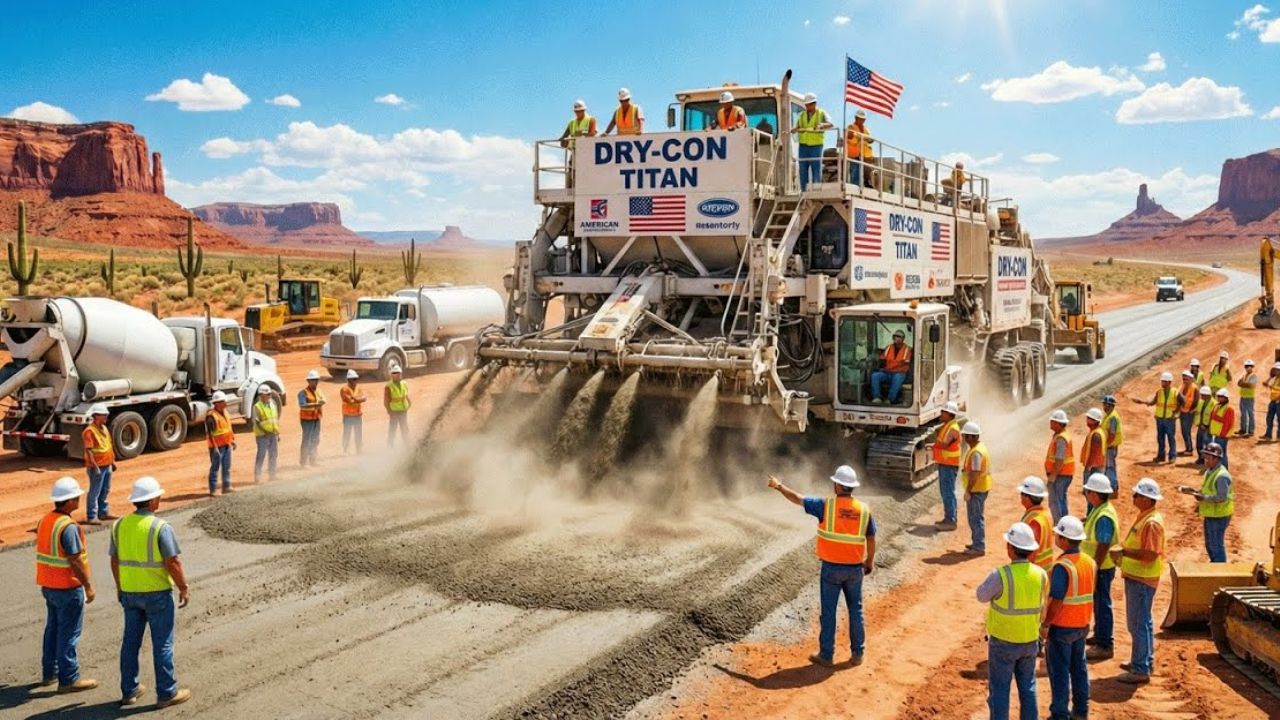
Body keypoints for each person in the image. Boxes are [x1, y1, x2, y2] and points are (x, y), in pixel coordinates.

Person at [767, 465, 876, 667]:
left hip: (831, 570)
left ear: (837, 485)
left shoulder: (826, 506)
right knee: (856, 610)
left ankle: (826, 655)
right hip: (854, 569)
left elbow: (798, 499)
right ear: (851, 487)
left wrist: (779, 486)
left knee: (829, 612)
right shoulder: (864, 510)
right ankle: (857, 654)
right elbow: (871, 537)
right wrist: (869, 561)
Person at [110, 477, 191, 708]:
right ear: (153, 500)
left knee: (130, 643)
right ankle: (166, 693)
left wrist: (120, 587)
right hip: (157, 595)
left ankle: (129, 691)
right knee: (163, 644)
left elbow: (114, 561)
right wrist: (183, 587)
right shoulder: (160, 527)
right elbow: (173, 562)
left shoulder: (119, 526)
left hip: (129, 594)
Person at [976, 522, 1048, 720]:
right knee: (1028, 687)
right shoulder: (1040, 574)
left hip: (1003, 642)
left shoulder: (1001, 575)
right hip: (1030, 641)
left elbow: (981, 595)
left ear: (1011, 549)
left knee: (1000, 690)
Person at [36, 477, 98, 693]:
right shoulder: (68, 527)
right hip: (67, 588)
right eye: (77, 496)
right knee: (68, 634)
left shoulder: (45, 521)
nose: (79, 498)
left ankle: (49, 673)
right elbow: (75, 559)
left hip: (48, 585)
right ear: (69, 500)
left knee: (52, 630)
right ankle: (69, 678)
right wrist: (88, 586)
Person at [1110, 477, 1165, 685]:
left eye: (1137, 495)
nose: (1133, 497)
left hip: (1142, 580)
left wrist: (1125, 551)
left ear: (1147, 499)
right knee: (1144, 622)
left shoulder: (1151, 523)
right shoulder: (1146, 517)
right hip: (1139, 578)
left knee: (1138, 624)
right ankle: (1142, 660)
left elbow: (1150, 554)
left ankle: (1140, 668)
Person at [1043, 515, 1095, 720]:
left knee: (1060, 672)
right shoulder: (1089, 562)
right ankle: (1081, 711)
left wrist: (1046, 623)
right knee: (1079, 669)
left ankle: (1060, 713)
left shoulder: (1062, 566)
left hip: (1062, 626)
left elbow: (1056, 600)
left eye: (1058, 535)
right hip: (1082, 623)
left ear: (1064, 539)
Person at [1081, 473, 1118, 661]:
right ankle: (1100, 635)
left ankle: (1105, 644)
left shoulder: (1103, 516)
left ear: (1095, 494)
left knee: (1102, 604)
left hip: (1101, 567)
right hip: (1100, 566)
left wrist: (1095, 566)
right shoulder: (1100, 509)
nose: (1086, 494)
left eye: (1088, 491)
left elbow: (1103, 543)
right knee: (1099, 603)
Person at [1182, 443, 1233, 563]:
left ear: (1216, 458)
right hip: (1212, 513)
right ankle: (1215, 566)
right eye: (1205, 457)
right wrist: (1196, 492)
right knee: (1211, 544)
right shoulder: (1210, 471)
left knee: (1216, 545)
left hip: (1219, 516)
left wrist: (1204, 498)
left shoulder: (1221, 476)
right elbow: (1208, 490)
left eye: (1208, 457)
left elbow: (1222, 497)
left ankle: (1219, 570)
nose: (1205, 460)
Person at [1131, 372, 1177, 463]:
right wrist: (1142, 402)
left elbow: (1182, 402)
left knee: (1171, 438)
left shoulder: (1175, 392)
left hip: (1169, 420)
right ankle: (1161, 456)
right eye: (1162, 381)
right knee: (1160, 438)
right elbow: (1152, 402)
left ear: (1169, 382)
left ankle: (1172, 456)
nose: (1162, 383)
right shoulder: (1159, 392)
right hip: (1160, 419)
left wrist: (1175, 413)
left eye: (1164, 381)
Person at [82, 404, 116, 526]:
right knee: (94, 491)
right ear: (96, 416)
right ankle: (91, 516)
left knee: (105, 489)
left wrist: (112, 461)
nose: (106, 417)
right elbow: (89, 450)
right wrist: (95, 466)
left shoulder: (104, 428)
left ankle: (103, 513)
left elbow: (108, 445)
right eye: (104, 415)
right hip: (97, 467)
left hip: (107, 465)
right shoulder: (89, 431)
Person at [962, 422, 992, 556]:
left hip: (977, 489)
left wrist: (968, 491)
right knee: (975, 517)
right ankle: (976, 543)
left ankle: (979, 546)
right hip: (980, 487)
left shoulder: (976, 453)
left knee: (975, 518)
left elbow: (974, 473)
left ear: (971, 437)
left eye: (965, 435)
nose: (963, 438)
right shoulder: (979, 447)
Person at [931, 402, 963, 530]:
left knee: (948, 492)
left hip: (949, 464)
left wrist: (934, 445)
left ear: (949, 414)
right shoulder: (948, 425)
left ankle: (950, 521)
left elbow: (944, 444)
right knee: (947, 492)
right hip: (946, 463)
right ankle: (949, 518)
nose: (941, 414)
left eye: (943, 412)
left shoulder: (953, 428)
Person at [793, 93, 832, 191]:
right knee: (803, 169)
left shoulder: (822, 113)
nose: (807, 106)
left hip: (816, 146)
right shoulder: (802, 115)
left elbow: (830, 124)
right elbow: (798, 126)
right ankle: (804, 191)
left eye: (809, 104)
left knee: (816, 169)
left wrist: (822, 125)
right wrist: (794, 129)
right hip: (803, 146)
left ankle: (816, 190)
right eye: (806, 105)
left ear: (814, 103)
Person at [1043, 409, 1075, 524]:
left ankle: (1059, 524)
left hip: (1060, 475)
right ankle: (1064, 523)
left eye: (1052, 421)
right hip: (1064, 474)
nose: (1050, 423)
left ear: (1058, 423)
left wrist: (1052, 476)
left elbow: (1059, 460)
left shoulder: (1061, 439)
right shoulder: (1061, 435)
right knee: (1061, 498)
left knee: (1055, 500)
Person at [1016, 476, 1054, 570]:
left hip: (1035, 570)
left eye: (1022, 494)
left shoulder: (1034, 521)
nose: (1020, 496)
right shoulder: (1046, 514)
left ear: (1027, 497)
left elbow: (1031, 552)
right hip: (1045, 569)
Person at [204, 391, 235, 497]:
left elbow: (228, 429)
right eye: (223, 402)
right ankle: (213, 489)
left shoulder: (225, 412)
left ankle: (226, 486)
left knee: (227, 467)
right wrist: (215, 448)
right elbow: (210, 434)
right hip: (217, 447)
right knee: (215, 468)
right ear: (216, 403)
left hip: (227, 444)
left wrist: (232, 441)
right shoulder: (211, 416)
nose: (225, 403)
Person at [870, 329, 912, 404]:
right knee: (875, 376)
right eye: (895, 336)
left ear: (903, 339)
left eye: (899, 337)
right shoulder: (888, 347)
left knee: (897, 378)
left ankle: (890, 399)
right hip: (887, 372)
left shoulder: (907, 349)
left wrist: (891, 365)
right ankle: (877, 397)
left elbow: (904, 363)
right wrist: (878, 362)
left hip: (900, 373)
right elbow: (882, 359)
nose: (897, 338)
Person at [251, 385, 280, 483]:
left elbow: (275, 420)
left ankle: (273, 475)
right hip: (262, 436)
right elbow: (257, 422)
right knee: (261, 455)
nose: (269, 396)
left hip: (273, 434)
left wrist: (277, 433)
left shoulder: (273, 404)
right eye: (267, 394)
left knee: (273, 455)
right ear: (261, 395)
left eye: (269, 394)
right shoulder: (257, 407)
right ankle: (257, 477)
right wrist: (265, 432)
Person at [297, 370, 325, 467]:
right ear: (308, 381)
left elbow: (323, 399)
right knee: (307, 440)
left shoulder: (318, 391)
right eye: (313, 380)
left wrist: (321, 402)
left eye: (316, 380)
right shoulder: (303, 393)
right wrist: (316, 404)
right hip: (307, 419)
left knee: (315, 439)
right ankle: (303, 462)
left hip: (316, 418)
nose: (315, 382)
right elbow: (302, 405)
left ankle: (313, 460)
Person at [1080, 408, 1107, 497]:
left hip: (1094, 467)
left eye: (1089, 418)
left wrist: (1088, 468)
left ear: (1095, 421)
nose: (1087, 420)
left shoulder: (1096, 435)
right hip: (1097, 466)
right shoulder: (1097, 432)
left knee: (1091, 494)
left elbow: (1093, 453)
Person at [1207, 388, 1236, 468]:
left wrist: (1223, 434)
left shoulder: (1229, 409)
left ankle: (1224, 468)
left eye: (1221, 396)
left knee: (1221, 453)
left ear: (1226, 398)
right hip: (1215, 434)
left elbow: (1228, 423)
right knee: (1216, 453)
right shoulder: (1216, 406)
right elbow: (1212, 418)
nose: (1219, 398)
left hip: (1222, 436)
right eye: (1218, 396)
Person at [340, 369, 366, 455]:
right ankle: (345, 450)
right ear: (349, 380)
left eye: (356, 379)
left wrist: (354, 398)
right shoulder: (344, 389)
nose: (356, 381)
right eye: (354, 379)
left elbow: (364, 398)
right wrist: (358, 399)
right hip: (348, 415)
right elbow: (349, 401)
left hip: (357, 414)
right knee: (347, 433)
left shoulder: (359, 388)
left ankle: (359, 450)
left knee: (358, 433)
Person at [385, 364, 411, 447]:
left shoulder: (404, 383)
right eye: (395, 373)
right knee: (393, 429)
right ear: (392, 375)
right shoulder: (388, 386)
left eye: (399, 373)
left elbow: (406, 395)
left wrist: (409, 403)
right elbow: (386, 400)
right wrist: (389, 410)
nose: (398, 375)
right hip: (394, 411)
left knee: (404, 428)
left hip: (403, 409)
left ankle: (407, 445)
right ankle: (390, 445)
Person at [844, 110, 872, 186]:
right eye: (860, 118)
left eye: (863, 119)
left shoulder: (865, 129)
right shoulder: (851, 127)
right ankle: (854, 188)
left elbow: (871, 140)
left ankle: (864, 186)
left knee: (866, 174)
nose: (862, 121)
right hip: (854, 155)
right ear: (856, 118)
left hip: (864, 155)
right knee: (855, 174)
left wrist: (864, 137)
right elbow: (849, 135)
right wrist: (859, 136)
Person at [1101, 395, 1123, 491]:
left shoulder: (1112, 417)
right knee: (1107, 467)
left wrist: (1106, 445)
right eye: (1104, 404)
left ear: (1111, 406)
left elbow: (1112, 434)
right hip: (1108, 446)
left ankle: (1113, 486)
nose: (1104, 406)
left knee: (1110, 467)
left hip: (1110, 447)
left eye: (1106, 404)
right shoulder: (1108, 415)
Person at [1176, 370, 1198, 456]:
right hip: (1182, 411)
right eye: (1183, 378)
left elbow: (1196, 401)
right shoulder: (1181, 387)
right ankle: (1188, 448)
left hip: (1189, 412)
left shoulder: (1195, 388)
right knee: (1184, 431)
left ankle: (1189, 449)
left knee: (1186, 431)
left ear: (1191, 379)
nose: (1184, 379)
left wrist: (1192, 410)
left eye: (1186, 378)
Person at [1193, 385, 1213, 465]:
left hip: (1208, 427)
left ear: (1208, 395)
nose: (1201, 396)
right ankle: (1201, 458)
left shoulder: (1213, 404)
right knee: (1199, 443)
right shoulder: (1201, 402)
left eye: (1203, 395)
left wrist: (1207, 426)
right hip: (1200, 426)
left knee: (1208, 444)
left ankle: (1208, 460)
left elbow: (1213, 417)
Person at [1237, 359, 1257, 437]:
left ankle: (1251, 431)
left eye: (1250, 366)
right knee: (1243, 414)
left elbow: (1250, 385)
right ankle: (1243, 429)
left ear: (1252, 367)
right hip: (1243, 397)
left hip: (1249, 398)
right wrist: (1244, 384)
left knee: (1250, 414)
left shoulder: (1254, 376)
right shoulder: (1244, 375)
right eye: (1246, 366)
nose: (1248, 367)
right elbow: (1238, 383)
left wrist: (1243, 383)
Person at [1262, 362, 1280, 441]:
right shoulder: (1276, 378)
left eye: (1277, 370)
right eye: (1274, 370)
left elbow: (1274, 388)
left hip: (1278, 401)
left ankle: (1279, 436)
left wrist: (1271, 386)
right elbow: (1266, 384)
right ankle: (1268, 435)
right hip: (1273, 400)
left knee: (1279, 419)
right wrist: (1270, 377)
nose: (1275, 371)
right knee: (1269, 418)